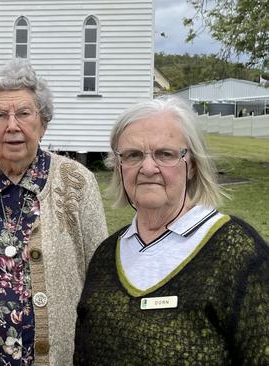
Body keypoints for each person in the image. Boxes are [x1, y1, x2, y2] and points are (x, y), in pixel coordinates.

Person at [0, 59, 108, 365]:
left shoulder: (77, 182)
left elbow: (100, 280)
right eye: (0, 115)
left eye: (24, 113)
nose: (12, 125)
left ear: (42, 122)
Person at [74, 98, 269, 364]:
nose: (148, 168)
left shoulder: (237, 253)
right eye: (132, 155)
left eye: (165, 154)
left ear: (193, 166)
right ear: (119, 167)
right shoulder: (106, 255)